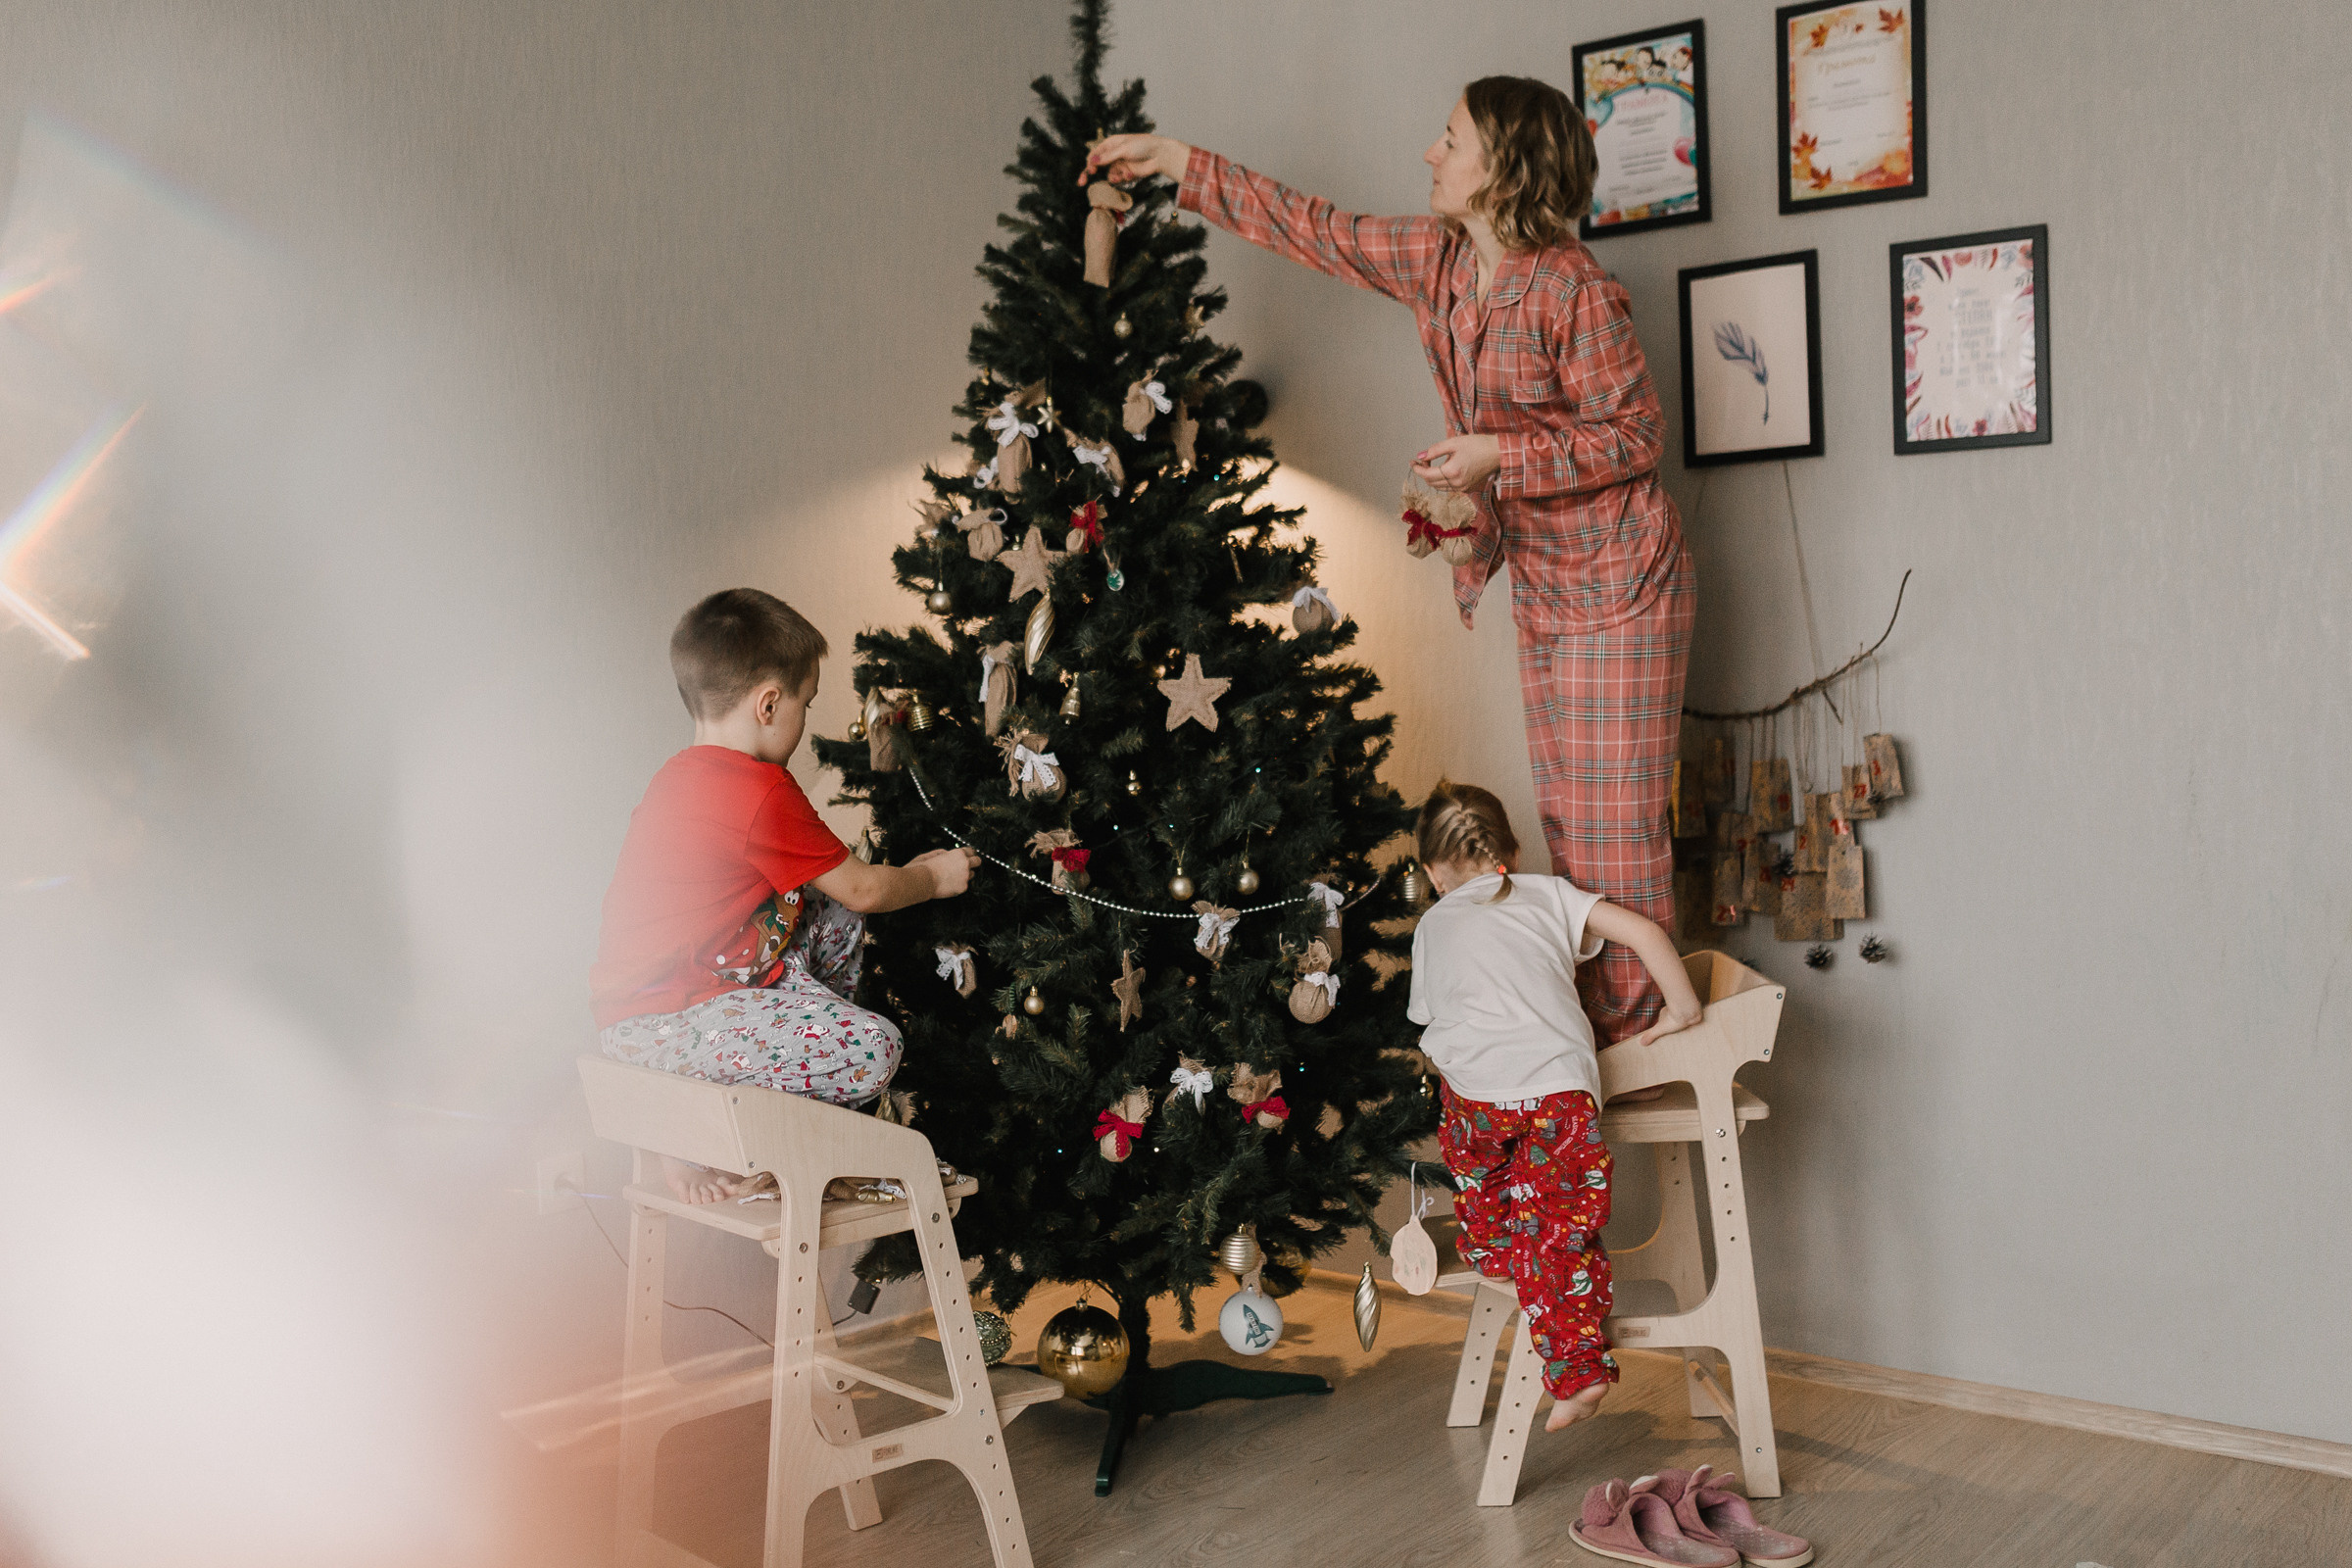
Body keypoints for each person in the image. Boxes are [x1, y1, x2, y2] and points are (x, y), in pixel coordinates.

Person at [1087, 76, 1693, 1048]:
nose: (1430, 154)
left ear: (1503, 168)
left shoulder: (1574, 291)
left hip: (1622, 583)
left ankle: (1642, 1046)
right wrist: (1180, 166)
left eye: (1449, 141)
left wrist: (1501, 453)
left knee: (1617, 828)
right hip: (1546, 578)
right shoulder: (1438, 262)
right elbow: (1314, 228)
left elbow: (1636, 436)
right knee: (1573, 827)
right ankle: (1602, 1043)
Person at [590, 588, 979, 1203]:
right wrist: (934, 876)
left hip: (639, 1022)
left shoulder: (676, 776)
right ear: (769, 703)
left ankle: (782, 1090)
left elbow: (838, 894)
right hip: (672, 1029)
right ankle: (785, 1136)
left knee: (824, 909)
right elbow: (866, 888)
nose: (805, 718)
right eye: (806, 702)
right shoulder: (758, 789)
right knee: (875, 1047)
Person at [1406, 780, 1702, 1430]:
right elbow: (1644, 932)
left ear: (1430, 870)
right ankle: (1577, 1371)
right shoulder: (1548, 894)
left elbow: (1427, 1014)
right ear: (1509, 847)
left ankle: (1496, 1257)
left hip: (1480, 1102)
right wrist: (1682, 1009)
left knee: (1479, 1179)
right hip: (1559, 1094)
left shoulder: (1432, 924)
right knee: (1561, 1230)